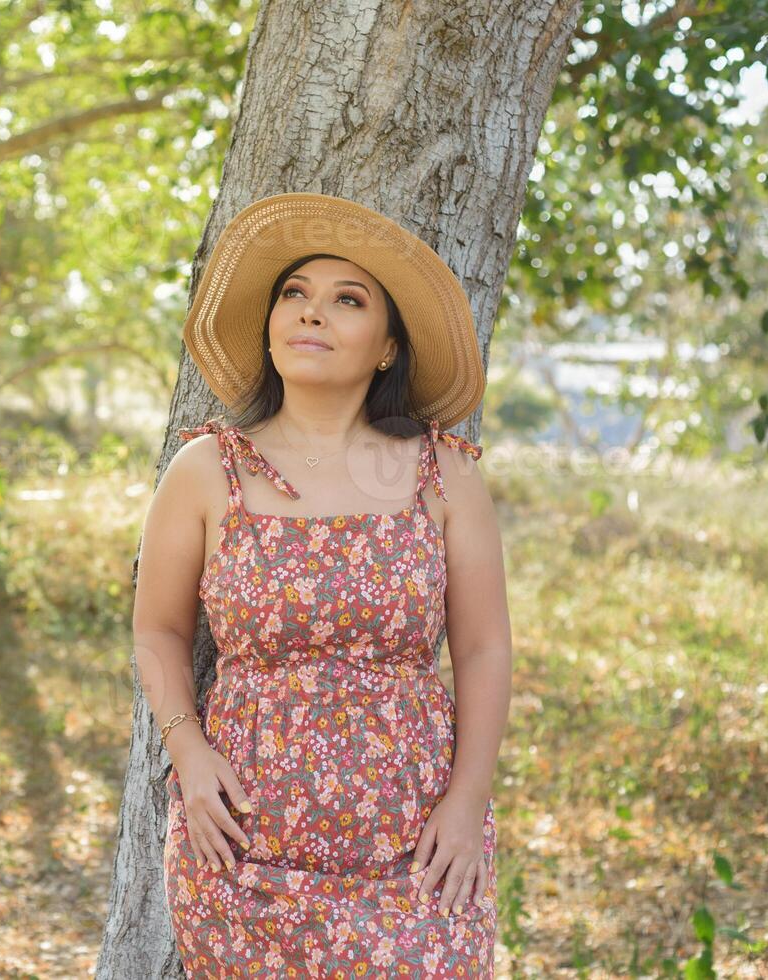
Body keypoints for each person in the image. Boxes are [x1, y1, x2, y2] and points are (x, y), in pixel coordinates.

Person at [132, 192, 513, 977]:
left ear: (385, 348)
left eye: (348, 300)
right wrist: (189, 756)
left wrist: (468, 801)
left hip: (416, 847)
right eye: (294, 296)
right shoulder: (207, 470)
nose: (312, 314)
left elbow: (482, 648)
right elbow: (159, 631)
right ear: (270, 328)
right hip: (241, 845)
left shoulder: (445, 477)